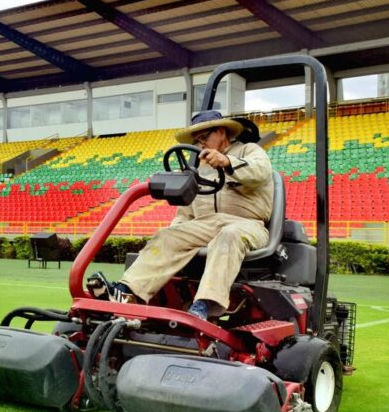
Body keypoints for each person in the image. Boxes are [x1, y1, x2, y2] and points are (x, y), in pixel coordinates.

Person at [108, 110, 274, 319]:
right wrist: (175, 232)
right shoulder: (199, 170)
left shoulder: (249, 151)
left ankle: (204, 304)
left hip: (247, 225)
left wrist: (227, 162)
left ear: (222, 132)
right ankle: (127, 291)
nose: (201, 144)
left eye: (204, 137)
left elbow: (261, 171)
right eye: (197, 141)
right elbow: (185, 214)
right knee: (168, 235)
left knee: (229, 235)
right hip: (206, 225)